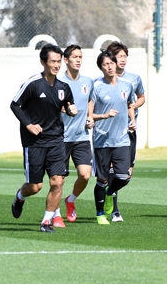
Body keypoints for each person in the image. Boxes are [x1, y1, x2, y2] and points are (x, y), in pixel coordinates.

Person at [10, 44, 78, 233]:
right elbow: (15, 105)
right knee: (35, 186)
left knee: (58, 181)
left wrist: (71, 111)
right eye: (52, 61)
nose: (56, 65)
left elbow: (67, 106)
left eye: (59, 61)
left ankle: (46, 221)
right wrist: (29, 125)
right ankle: (20, 197)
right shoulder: (33, 83)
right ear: (43, 62)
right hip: (35, 142)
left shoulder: (64, 87)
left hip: (56, 140)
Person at [88, 50, 136, 225]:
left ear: (116, 64)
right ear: (101, 68)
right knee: (102, 180)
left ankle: (110, 193)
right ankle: (100, 213)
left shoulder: (127, 85)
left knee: (124, 176)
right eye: (105, 64)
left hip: (122, 139)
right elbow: (90, 114)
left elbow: (130, 104)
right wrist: (104, 116)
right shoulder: (96, 86)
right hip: (102, 140)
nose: (109, 67)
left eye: (111, 63)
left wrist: (132, 121)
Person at [104, 41, 145, 222]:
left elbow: (142, 97)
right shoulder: (102, 81)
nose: (123, 60)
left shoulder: (133, 78)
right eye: (119, 56)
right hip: (110, 132)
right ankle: (114, 210)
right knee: (113, 171)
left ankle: (109, 193)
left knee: (126, 175)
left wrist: (133, 105)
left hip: (129, 129)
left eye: (124, 56)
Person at [60, 44, 95, 223]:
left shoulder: (87, 81)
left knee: (85, 174)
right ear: (66, 60)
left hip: (81, 136)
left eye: (80, 57)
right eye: (74, 57)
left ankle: (71, 200)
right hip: (61, 137)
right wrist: (63, 109)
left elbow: (89, 99)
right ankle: (54, 213)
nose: (78, 60)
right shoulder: (58, 81)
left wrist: (90, 117)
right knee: (59, 179)